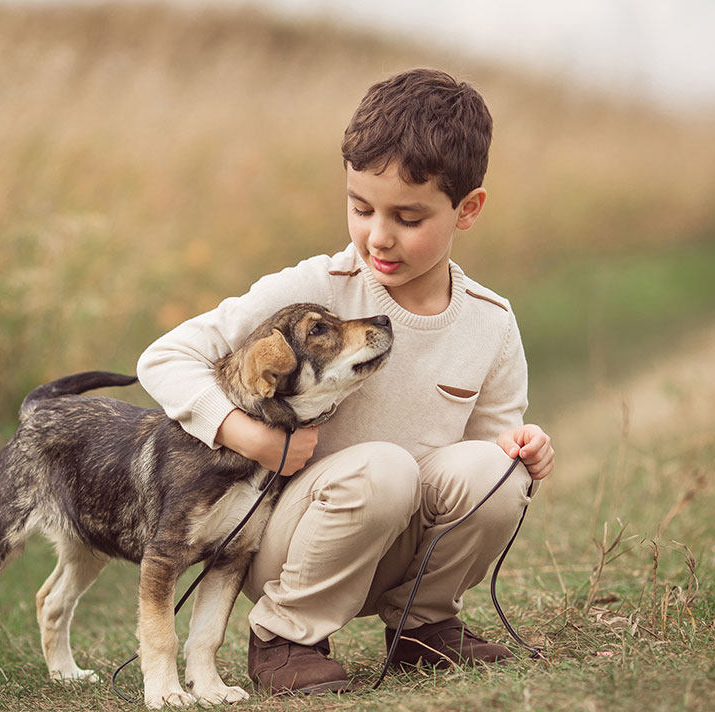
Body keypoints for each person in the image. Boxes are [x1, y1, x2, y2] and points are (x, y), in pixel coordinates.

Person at [136, 68, 556, 695]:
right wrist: (250, 438)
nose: (378, 237)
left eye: (408, 218)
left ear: (467, 210)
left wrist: (523, 447)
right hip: (291, 540)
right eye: (361, 209)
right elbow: (164, 358)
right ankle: (285, 634)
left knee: (499, 472)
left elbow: (489, 445)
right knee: (383, 469)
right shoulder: (317, 288)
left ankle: (424, 625)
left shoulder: (490, 322)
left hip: (404, 539)